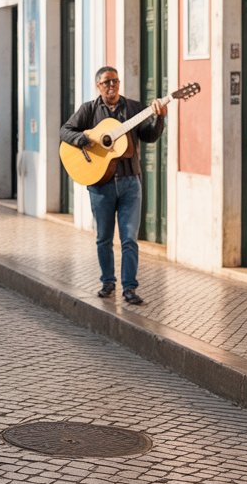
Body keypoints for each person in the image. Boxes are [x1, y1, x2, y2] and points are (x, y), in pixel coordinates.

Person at [59, 66, 167, 306]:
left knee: (129, 238)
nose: (112, 86)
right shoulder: (88, 110)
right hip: (100, 184)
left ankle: (130, 288)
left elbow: (149, 136)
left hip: (131, 182)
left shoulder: (134, 109)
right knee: (104, 238)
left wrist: (159, 118)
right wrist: (84, 139)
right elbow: (64, 131)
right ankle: (108, 281)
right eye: (107, 82)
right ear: (98, 86)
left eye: (115, 82)